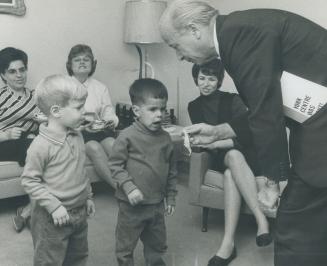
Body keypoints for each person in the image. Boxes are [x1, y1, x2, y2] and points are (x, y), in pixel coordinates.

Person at [159, 1, 327, 266]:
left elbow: (265, 113)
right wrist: (217, 131)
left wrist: (271, 182)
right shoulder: (236, 32)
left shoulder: (240, 37)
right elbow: (266, 106)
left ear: (193, 29)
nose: (179, 56)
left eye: (175, 46)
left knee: (296, 223)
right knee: (309, 223)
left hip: (320, 131)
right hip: (316, 126)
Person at [188, 59, 272, 266]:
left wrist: (215, 143)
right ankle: (260, 220)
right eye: (202, 78)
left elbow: (248, 135)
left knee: (231, 169)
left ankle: (228, 244)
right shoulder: (193, 106)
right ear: (196, 80)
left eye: (211, 78)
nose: (206, 83)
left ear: (219, 81)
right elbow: (205, 139)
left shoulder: (232, 100)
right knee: (230, 160)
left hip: (246, 154)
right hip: (221, 156)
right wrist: (198, 141)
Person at [21, 75, 95, 266]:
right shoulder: (40, 146)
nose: (84, 112)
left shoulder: (77, 135)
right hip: (50, 217)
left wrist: (88, 196)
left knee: (78, 257)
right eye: (78, 107)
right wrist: (54, 206)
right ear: (56, 111)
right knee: (49, 260)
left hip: (79, 211)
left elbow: (80, 169)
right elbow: (30, 181)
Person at [109, 78, 178, 266]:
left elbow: (171, 169)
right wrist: (129, 188)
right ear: (136, 111)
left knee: (156, 241)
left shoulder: (165, 139)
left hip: (156, 204)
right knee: (126, 243)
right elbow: (115, 166)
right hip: (131, 205)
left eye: (162, 109)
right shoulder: (127, 136)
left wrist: (170, 196)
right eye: (153, 109)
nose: (159, 115)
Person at [0, 47, 41, 233]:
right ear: (3, 75)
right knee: (41, 149)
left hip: (27, 143)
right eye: (12, 71)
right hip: (3, 144)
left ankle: (26, 211)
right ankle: (30, 213)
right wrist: (5, 135)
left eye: (22, 69)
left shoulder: (34, 96)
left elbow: (44, 119)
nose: (19, 75)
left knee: (47, 150)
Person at [66, 44, 118, 188]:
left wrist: (109, 122)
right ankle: (119, 188)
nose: (82, 62)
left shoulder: (100, 87)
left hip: (98, 130)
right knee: (94, 147)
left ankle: (130, 183)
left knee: (112, 144)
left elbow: (109, 112)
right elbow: (59, 116)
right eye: (77, 60)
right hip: (75, 132)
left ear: (93, 64)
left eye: (86, 59)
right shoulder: (63, 86)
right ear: (70, 64)